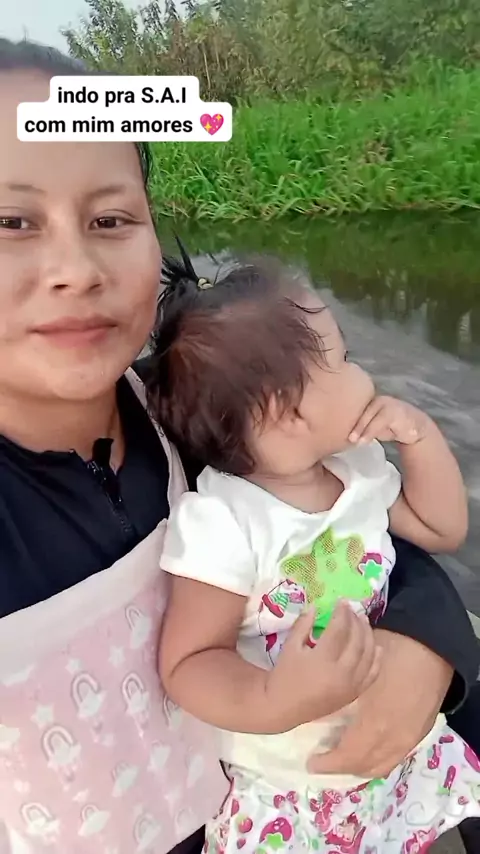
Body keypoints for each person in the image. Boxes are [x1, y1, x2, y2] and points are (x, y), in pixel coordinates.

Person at [0, 35, 477, 854]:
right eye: (11, 222)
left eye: (111, 219)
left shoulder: (198, 419)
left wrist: (427, 645)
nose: (75, 268)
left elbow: (363, 541)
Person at [151, 253, 480, 852]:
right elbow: (189, 661)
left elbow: (441, 529)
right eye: (344, 358)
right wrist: (273, 698)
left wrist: (420, 438)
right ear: (289, 410)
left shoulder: (357, 470)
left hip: (390, 761)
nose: (361, 371)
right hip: (293, 789)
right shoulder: (226, 522)